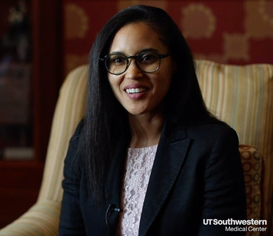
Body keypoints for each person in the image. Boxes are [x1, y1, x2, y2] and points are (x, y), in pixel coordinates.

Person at [59, 5, 246, 236]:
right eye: (118, 60)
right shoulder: (86, 138)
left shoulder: (214, 145)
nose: (132, 74)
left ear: (175, 62)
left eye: (147, 58)